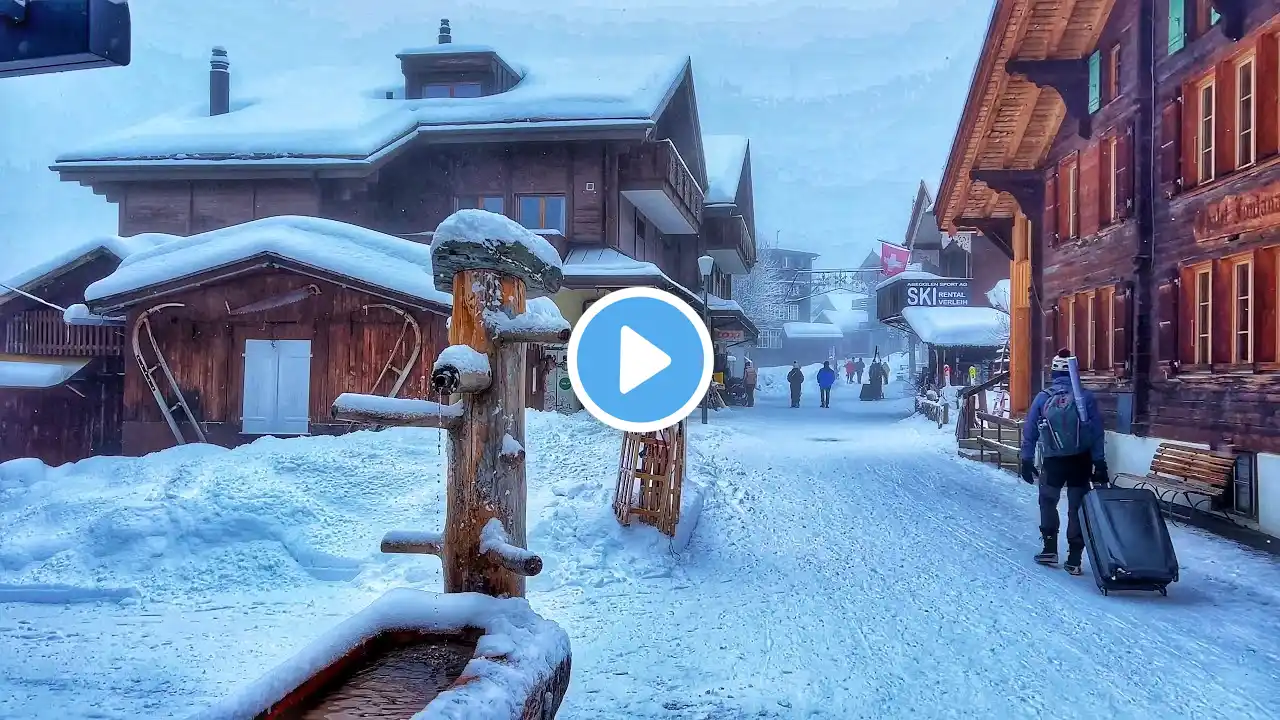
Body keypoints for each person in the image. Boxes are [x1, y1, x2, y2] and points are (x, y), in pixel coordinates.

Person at [1020, 349, 1109, 576]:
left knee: (1048, 501)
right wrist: (1100, 463)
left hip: (1053, 461)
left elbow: (1029, 430)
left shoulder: (1043, 397)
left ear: (1053, 371)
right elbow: (1097, 432)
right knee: (1076, 508)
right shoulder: (1085, 398)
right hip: (1081, 461)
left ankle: (1050, 548)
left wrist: (1027, 459)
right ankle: (1074, 558)